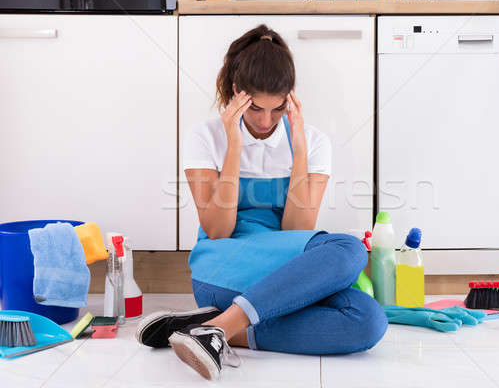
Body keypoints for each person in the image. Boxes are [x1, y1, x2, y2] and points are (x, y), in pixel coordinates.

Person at [135, 24, 387, 380]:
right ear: (238, 94)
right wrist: (234, 145)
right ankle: (222, 327)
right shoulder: (205, 138)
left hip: (285, 269)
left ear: (290, 98)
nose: (266, 121)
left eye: (277, 108)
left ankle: (215, 326)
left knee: (368, 320)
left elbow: (296, 231)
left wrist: (298, 149)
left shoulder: (313, 143)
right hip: (223, 266)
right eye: (255, 109)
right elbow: (218, 230)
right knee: (348, 248)